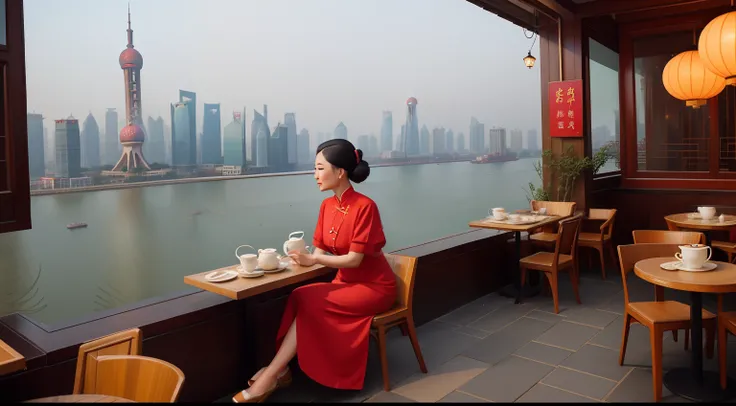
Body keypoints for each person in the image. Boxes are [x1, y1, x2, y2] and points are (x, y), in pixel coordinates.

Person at [233, 139, 397, 403]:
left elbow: (354, 260)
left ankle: (271, 374)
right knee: (299, 294)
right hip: (344, 284)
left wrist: (313, 260)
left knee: (308, 299)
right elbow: (319, 252)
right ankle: (281, 369)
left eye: (320, 168)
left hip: (374, 288)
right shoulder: (327, 206)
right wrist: (298, 259)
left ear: (340, 172)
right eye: (315, 168)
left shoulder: (365, 206)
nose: (315, 175)